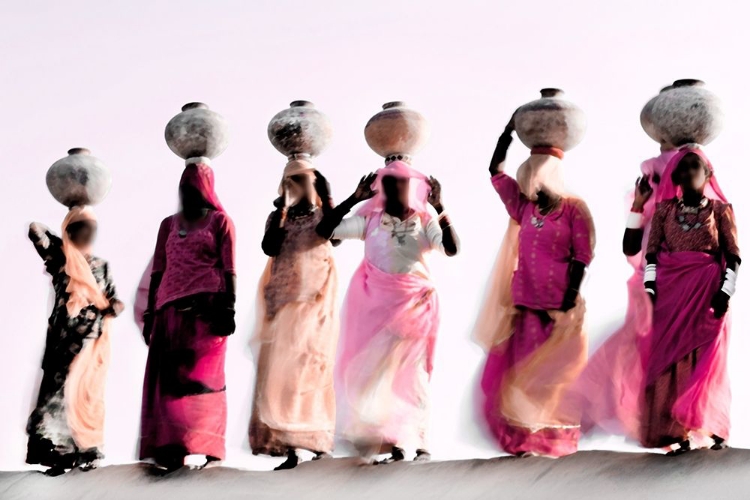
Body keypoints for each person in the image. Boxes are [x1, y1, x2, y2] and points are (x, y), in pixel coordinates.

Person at [316, 158, 459, 464]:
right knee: (372, 375)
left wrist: (440, 207)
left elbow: (451, 248)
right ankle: (389, 442)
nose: (396, 189)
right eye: (390, 183)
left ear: (412, 188)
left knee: (412, 376)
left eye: (403, 183)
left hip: (415, 308)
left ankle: (419, 444)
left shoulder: (424, 220)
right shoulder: (370, 221)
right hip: (375, 312)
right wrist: (353, 200)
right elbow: (326, 230)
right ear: (381, 188)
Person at [475, 115, 595, 458]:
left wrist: (568, 299)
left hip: (560, 310)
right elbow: (496, 172)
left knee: (554, 378)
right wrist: (507, 132)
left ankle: (556, 444)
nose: (530, 178)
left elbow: (583, 256)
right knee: (520, 377)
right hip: (525, 305)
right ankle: (526, 444)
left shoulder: (574, 210)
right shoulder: (523, 208)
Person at [640, 146, 739, 455]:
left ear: (707, 174)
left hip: (708, 291)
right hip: (670, 293)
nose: (687, 173)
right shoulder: (664, 210)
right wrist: (650, 290)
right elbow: (652, 252)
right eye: (681, 168)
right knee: (670, 360)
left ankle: (708, 426)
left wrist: (725, 291)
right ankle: (675, 432)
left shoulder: (721, 211)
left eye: (694, 166)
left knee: (706, 358)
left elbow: (733, 255)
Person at [139, 161, 236, 471]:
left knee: (202, 379)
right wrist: (150, 314)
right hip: (168, 309)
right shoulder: (168, 225)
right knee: (168, 382)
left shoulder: (220, 222)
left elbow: (229, 268)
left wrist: (229, 309)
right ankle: (171, 449)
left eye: (195, 188)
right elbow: (158, 271)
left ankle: (207, 446)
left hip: (206, 310)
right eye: (185, 189)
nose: (189, 194)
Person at [250, 157, 340, 470]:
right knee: (282, 374)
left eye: (303, 181)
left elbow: (336, 236)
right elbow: (270, 247)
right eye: (292, 181)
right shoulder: (278, 216)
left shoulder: (321, 214)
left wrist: (328, 197)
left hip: (314, 303)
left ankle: (315, 441)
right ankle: (289, 445)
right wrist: (284, 210)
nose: (298, 187)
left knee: (310, 370)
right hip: (281, 301)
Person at [26, 207, 123, 476]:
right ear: (71, 230)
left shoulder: (102, 265)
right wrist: (63, 240)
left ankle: (87, 451)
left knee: (87, 395)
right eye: (82, 227)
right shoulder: (60, 258)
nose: (89, 233)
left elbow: (113, 298)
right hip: (62, 340)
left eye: (93, 228)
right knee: (57, 396)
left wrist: (115, 306)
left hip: (90, 340)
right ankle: (58, 455)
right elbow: (36, 229)